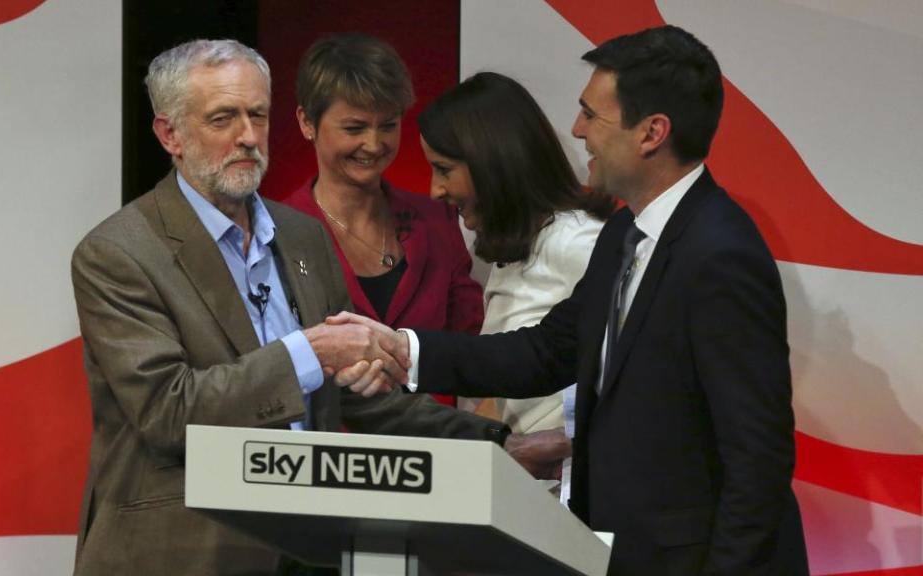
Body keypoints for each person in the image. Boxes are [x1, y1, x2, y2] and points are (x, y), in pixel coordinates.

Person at [333, 26, 809, 575]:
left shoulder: (721, 253)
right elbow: (546, 351)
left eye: (593, 116)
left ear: (652, 132)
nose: (577, 130)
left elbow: (757, 460)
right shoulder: (625, 235)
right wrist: (402, 350)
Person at [70, 39, 510, 576]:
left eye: (257, 115)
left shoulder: (302, 237)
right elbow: (169, 411)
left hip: (312, 551)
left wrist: (500, 444)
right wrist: (309, 350)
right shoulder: (118, 253)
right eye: (222, 119)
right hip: (187, 553)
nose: (248, 137)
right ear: (170, 135)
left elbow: (362, 397)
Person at [417, 72, 613, 484]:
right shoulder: (514, 251)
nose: (435, 189)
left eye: (444, 169)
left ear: (493, 163)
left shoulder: (579, 243)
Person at [284, 34, 483, 407]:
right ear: (307, 122)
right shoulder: (274, 232)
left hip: (438, 448)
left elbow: (470, 345)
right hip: (323, 453)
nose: (374, 145)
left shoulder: (437, 219)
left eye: (388, 125)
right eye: (355, 128)